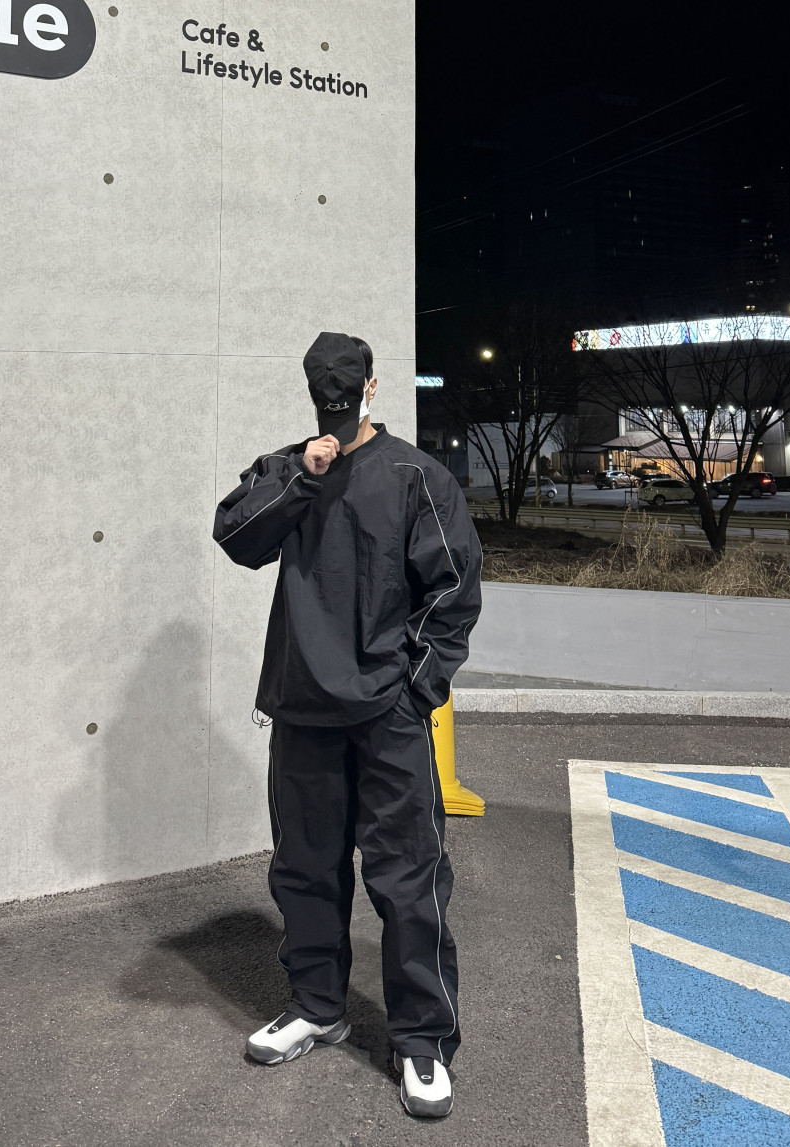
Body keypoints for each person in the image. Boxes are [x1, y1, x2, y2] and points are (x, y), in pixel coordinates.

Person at [212, 332, 482, 1118]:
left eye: (346, 392)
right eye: (324, 396)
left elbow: (455, 588)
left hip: (387, 716)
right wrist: (302, 475)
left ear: (371, 387)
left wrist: (414, 690)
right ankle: (317, 1006)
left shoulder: (415, 475)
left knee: (408, 877)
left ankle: (423, 1039)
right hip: (302, 709)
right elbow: (236, 535)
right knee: (304, 868)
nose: (336, 406)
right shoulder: (288, 468)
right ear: (315, 393)